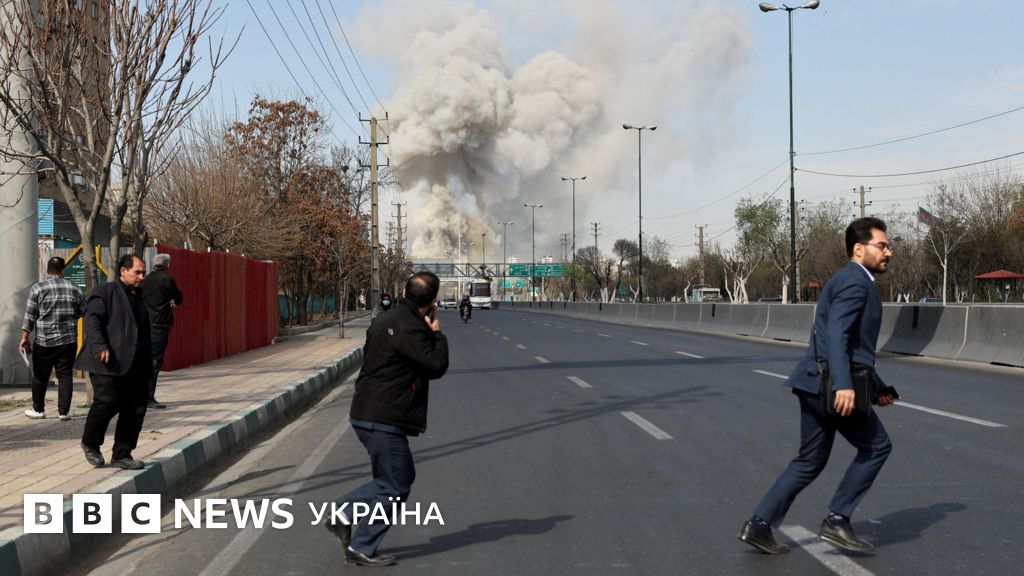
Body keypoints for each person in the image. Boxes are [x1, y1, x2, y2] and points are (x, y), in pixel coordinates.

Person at [739, 217, 899, 555]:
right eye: (882, 246)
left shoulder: (846, 279)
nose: (889, 252)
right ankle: (837, 519)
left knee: (809, 461)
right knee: (876, 447)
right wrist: (843, 385)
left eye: (888, 246)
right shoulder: (856, 282)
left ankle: (759, 524)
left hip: (812, 382)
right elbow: (836, 335)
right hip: (831, 385)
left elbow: (852, 347)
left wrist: (877, 388)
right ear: (859, 249)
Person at [325, 271, 449, 566]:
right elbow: (435, 365)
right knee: (395, 485)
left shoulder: (384, 319)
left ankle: (344, 513)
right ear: (432, 301)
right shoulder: (413, 328)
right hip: (384, 417)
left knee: (395, 480)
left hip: (367, 411)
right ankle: (361, 545)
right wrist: (437, 334)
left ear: (404, 294)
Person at [76, 255, 152, 470]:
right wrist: (100, 345)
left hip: (136, 364)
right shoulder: (105, 292)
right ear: (123, 271)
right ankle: (90, 443)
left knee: (135, 409)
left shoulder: (141, 296)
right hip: (107, 361)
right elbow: (92, 320)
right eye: (137, 272)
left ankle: (122, 454)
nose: (141, 277)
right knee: (107, 402)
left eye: (143, 272)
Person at [19, 257, 85, 421]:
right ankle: (63, 412)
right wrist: (71, 317)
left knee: (40, 376)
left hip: (44, 341)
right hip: (68, 340)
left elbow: (30, 316)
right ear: (63, 270)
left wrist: (25, 337)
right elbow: (82, 310)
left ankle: (38, 410)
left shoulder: (38, 288)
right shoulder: (75, 288)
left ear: (47, 270)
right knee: (65, 376)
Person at [142, 253, 183, 409]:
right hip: (160, 324)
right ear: (167, 265)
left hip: (145, 323)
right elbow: (179, 298)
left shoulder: (145, 279)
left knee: (144, 359)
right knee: (154, 361)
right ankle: (148, 398)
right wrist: (171, 301)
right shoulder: (167, 280)